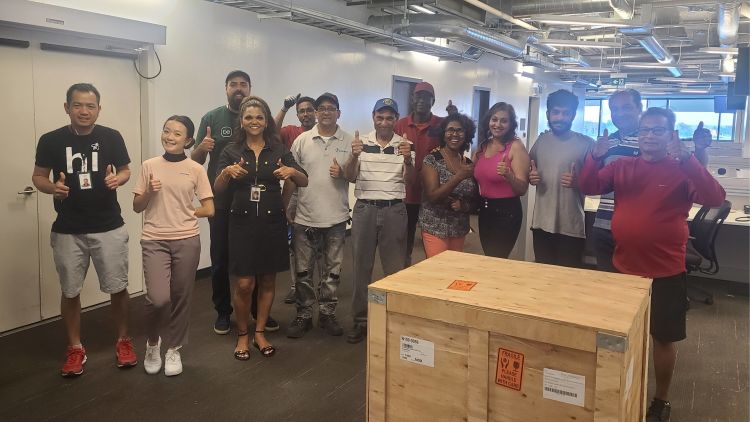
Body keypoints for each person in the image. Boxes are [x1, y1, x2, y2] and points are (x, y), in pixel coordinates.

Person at [578, 107, 725, 422]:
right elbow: (588, 186)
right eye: (645, 129)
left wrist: (690, 159)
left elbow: (715, 197)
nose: (649, 135)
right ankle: (622, 387)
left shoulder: (682, 169)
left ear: (671, 135)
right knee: (621, 336)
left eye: (658, 130)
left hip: (665, 272)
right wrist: (594, 155)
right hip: (624, 269)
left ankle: (660, 399)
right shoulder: (622, 166)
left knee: (662, 338)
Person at [32, 83, 136, 377]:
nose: (84, 111)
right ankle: (75, 347)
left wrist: (120, 179)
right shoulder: (50, 140)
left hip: (108, 227)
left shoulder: (111, 137)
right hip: (67, 229)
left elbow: (126, 169)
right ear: (67, 108)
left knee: (118, 287)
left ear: (98, 109)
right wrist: (53, 188)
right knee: (70, 291)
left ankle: (124, 341)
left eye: (90, 106)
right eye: (78, 105)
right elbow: (38, 176)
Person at [215, 96, 308, 360]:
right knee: (245, 283)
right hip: (241, 222)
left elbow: (304, 179)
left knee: (267, 279)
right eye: (249, 118)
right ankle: (242, 334)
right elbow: (217, 188)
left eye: (259, 117)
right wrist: (226, 173)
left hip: (272, 222)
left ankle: (259, 332)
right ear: (241, 122)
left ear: (266, 121)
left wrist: (290, 171)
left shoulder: (278, 148)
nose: (254, 122)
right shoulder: (231, 151)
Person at [192, 70, 279, 335]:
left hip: (253, 202)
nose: (238, 88)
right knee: (220, 258)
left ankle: (256, 312)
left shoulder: (260, 117)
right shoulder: (211, 118)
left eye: (243, 84)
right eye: (233, 85)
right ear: (226, 88)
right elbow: (195, 161)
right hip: (220, 201)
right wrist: (202, 148)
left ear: (250, 88)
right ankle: (222, 311)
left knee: (254, 260)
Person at [592, 89, 712, 272]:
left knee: (643, 291)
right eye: (614, 109)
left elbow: (693, 171)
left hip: (643, 233)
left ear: (640, 108)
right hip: (604, 224)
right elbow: (597, 181)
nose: (620, 113)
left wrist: (700, 150)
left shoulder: (658, 139)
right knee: (611, 292)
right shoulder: (607, 142)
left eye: (626, 107)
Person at [133, 116, 214, 376]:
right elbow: (137, 206)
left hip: (187, 240)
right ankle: (153, 343)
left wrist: (190, 212)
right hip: (154, 238)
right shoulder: (149, 166)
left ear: (188, 140)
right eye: (166, 131)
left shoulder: (196, 169)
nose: (170, 136)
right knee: (158, 299)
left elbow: (209, 208)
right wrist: (148, 192)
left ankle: (174, 349)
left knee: (181, 297)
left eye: (177, 133)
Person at [343, 98, 414, 344]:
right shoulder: (360, 142)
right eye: (380, 117)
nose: (384, 122)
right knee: (361, 268)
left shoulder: (405, 145)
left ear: (396, 119)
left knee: (394, 271)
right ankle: (360, 320)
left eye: (390, 117)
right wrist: (353, 156)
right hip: (365, 209)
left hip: (394, 210)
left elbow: (412, 182)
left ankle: (394, 321)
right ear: (373, 116)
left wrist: (407, 160)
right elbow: (350, 177)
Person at [286, 92, 353, 339]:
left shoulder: (348, 141)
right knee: (303, 271)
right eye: (321, 108)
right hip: (305, 217)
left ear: (339, 112)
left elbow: (355, 176)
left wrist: (344, 172)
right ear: (315, 113)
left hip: (336, 218)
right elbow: (293, 176)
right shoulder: (302, 141)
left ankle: (327, 313)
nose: (326, 112)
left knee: (332, 271)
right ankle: (303, 315)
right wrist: (288, 205)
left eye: (331, 108)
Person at [528, 89, 593, 268]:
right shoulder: (540, 142)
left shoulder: (587, 144)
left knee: (567, 282)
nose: (560, 117)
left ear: (573, 115)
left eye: (566, 113)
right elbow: (529, 170)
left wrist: (578, 182)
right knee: (542, 277)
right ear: (548, 114)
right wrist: (530, 176)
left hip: (571, 227)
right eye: (556, 112)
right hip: (541, 224)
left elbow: (596, 185)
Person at [394, 82, 456, 266]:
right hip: (406, 194)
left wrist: (454, 116)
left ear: (433, 101)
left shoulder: (441, 125)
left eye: (425, 97)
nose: (421, 100)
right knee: (404, 242)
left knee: (435, 242)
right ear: (412, 99)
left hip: (433, 194)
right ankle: (404, 273)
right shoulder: (400, 125)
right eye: (417, 96)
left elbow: (457, 140)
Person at [274, 94, 318, 304]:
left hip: (318, 191)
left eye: (310, 109)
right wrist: (284, 107)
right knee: (295, 242)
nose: (306, 114)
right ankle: (295, 285)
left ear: (316, 112)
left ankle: (318, 284)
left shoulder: (324, 133)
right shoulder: (290, 131)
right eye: (302, 110)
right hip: (295, 190)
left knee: (320, 241)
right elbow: (272, 133)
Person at [473, 102, 530, 258]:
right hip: (485, 209)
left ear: (511, 124)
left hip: (507, 212)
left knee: (497, 257)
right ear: (489, 121)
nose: (498, 124)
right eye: (494, 119)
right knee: (489, 257)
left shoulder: (516, 147)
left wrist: (509, 176)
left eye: (504, 121)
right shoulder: (483, 146)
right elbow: (470, 172)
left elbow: (522, 189)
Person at [419, 113, 478, 257]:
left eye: (459, 130)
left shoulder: (469, 164)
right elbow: (433, 196)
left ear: (466, 134)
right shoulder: (432, 160)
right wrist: (458, 177)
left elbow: (475, 198)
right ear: (443, 134)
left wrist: (465, 206)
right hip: (435, 226)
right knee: (438, 273)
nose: (454, 134)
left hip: (459, 227)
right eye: (450, 130)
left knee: (454, 272)